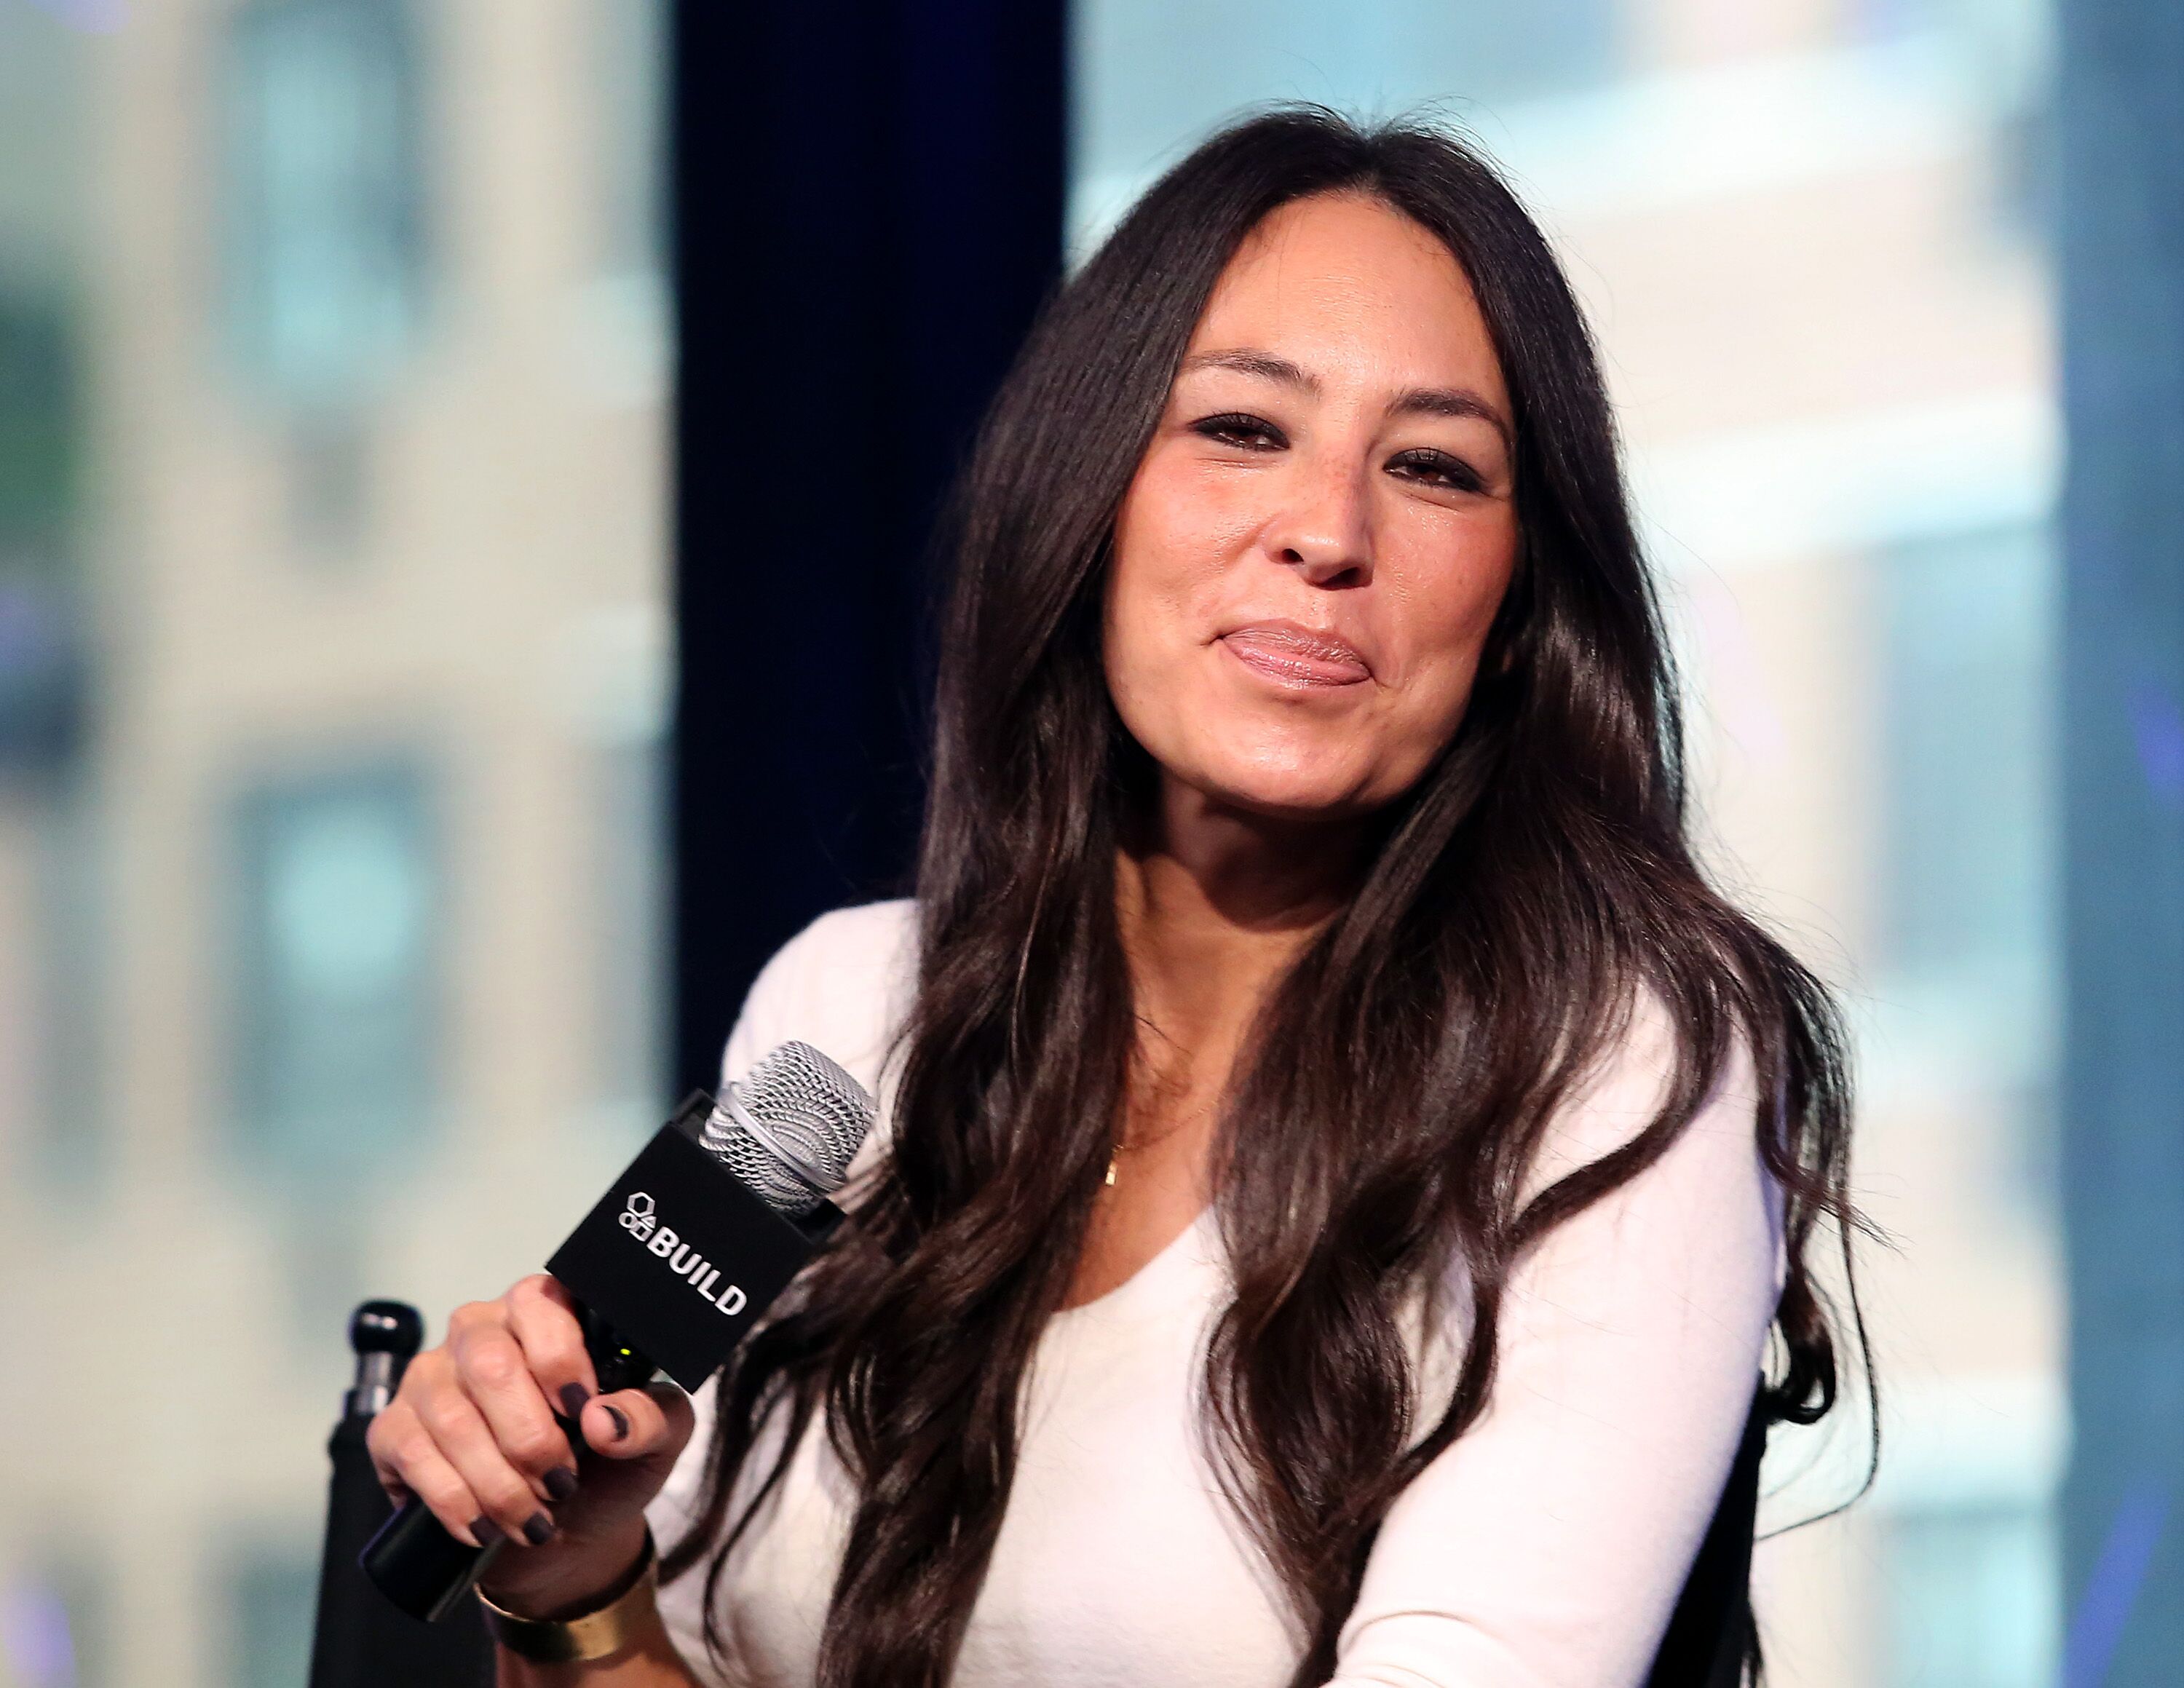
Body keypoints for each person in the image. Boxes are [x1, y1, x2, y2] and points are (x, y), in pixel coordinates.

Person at [366, 108, 1859, 1688]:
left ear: (1514, 609)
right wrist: (579, 1584)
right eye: (1240, 429)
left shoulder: (1613, 1062)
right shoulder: (848, 1013)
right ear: (1088, 501)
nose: (1327, 532)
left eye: (1431, 467)